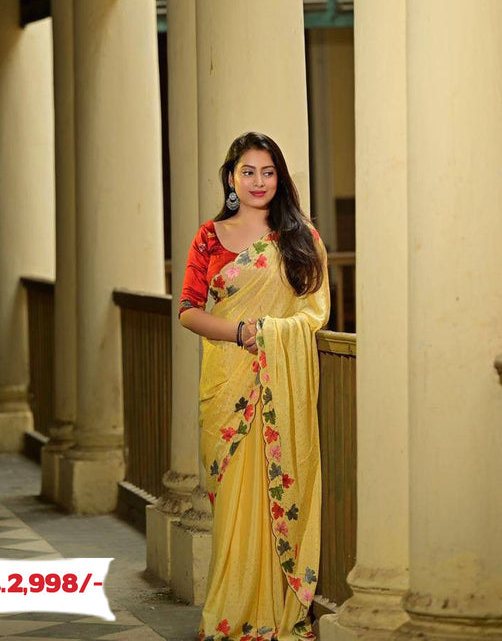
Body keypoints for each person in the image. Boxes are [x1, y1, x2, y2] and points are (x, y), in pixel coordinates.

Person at [179, 132, 330, 641]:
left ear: (280, 178)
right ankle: (231, 611)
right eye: (248, 171)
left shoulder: (300, 238)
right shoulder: (208, 238)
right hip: (227, 383)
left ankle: (277, 611)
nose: (258, 181)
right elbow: (188, 311)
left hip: (278, 388)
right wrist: (242, 332)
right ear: (231, 177)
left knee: (273, 497)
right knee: (234, 511)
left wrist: (271, 336)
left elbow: (313, 312)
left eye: (268, 172)